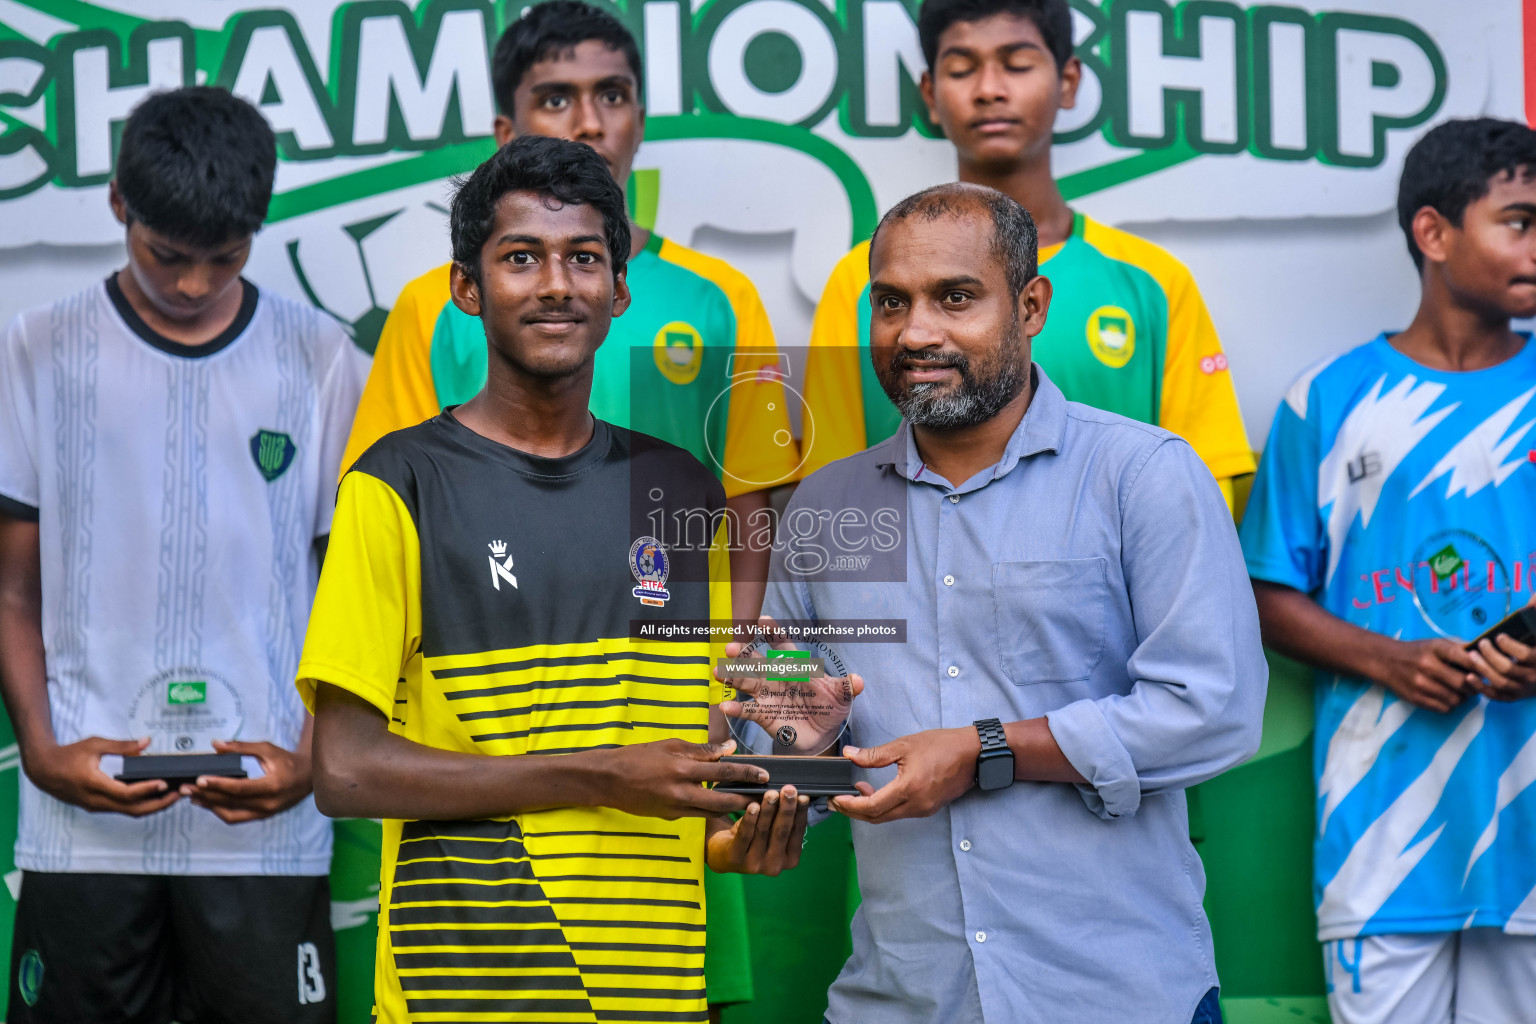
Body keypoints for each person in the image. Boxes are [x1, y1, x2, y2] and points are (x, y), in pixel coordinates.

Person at [297, 134, 810, 1024]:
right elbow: (344, 770)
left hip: (654, 997)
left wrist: (754, 819)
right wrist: (600, 777)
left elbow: (684, 769)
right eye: (521, 258)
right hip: (458, 996)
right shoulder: (398, 482)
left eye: (584, 259)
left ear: (620, 291)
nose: (556, 285)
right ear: (467, 288)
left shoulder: (682, 489)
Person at [760, 181, 1266, 1024]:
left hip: (1116, 997)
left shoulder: (1139, 475)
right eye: (891, 303)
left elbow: (1212, 709)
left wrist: (985, 749)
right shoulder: (827, 509)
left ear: (1030, 306)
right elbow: (788, 731)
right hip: (902, 998)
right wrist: (761, 798)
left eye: (955, 298)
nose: (916, 332)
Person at [0, 87, 367, 1023]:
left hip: (265, 824)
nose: (196, 284)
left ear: (258, 227)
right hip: (82, 827)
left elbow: (356, 592)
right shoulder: (36, 350)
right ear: (121, 204)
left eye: (225, 258)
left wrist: (313, 757)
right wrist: (40, 752)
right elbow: (12, 590)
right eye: (168, 255)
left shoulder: (323, 359)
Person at [344, 0, 799, 621]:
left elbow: (749, 502)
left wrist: (731, 668)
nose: (589, 122)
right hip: (491, 657)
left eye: (611, 96)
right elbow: (390, 503)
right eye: (557, 99)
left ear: (639, 119)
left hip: (672, 673)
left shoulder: (720, 297)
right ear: (509, 132)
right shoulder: (430, 305)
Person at [1240, 118, 1536, 1024]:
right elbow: (1262, 594)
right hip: (1382, 841)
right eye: (1519, 220)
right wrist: (1389, 658)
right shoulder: (1327, 400)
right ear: (1434, 233)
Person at [801, 0, 1254, 510]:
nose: (990, 88)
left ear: (1067, 81)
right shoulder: (860, 284)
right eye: (961, 68)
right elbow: (832, 492)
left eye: (1017, 64)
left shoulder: (1153, 282)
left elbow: (1201, 491)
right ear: (931, 92)